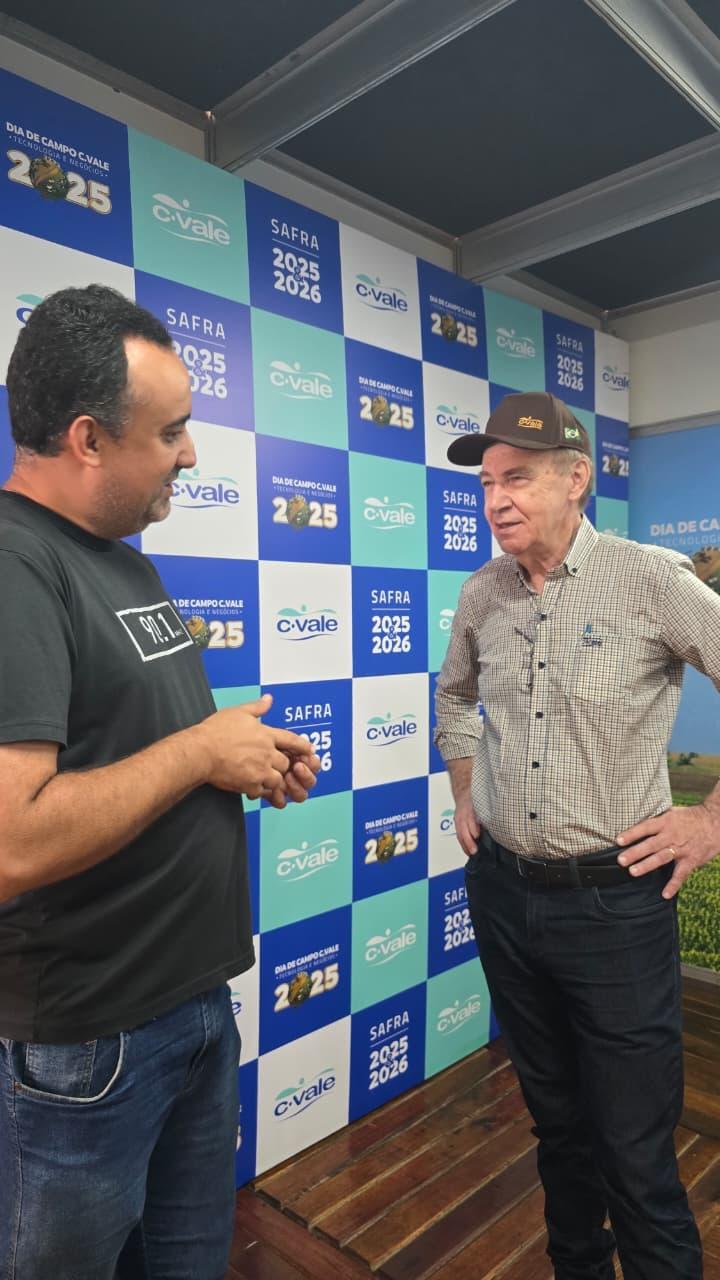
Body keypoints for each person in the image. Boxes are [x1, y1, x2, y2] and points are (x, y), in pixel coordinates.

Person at [0, 285, 321, 1280]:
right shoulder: (15, 564)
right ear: (89, 438)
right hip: (93, 1047)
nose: (191, 453)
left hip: (188, 1009)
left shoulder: (122, 561)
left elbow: (138, 750)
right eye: (172, 430)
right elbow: (14, 839)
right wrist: (199, 754)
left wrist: (241, 759)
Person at [435, 390, 720, 1280]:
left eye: (517, 478)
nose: (496, 499)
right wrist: (467, 789)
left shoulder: (650, 579)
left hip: (616, 908)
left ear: (576, 480)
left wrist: (710, 819)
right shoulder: (482, 592)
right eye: (487, 482)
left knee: (634, 1152)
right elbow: (455, 698)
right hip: (504, 895)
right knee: (557, 1129)